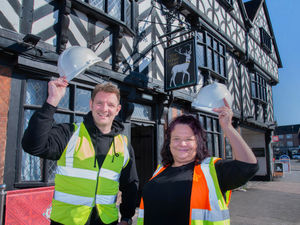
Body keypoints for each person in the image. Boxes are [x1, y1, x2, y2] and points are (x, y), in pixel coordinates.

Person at [22, 77, 138, 225]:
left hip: (107, 221)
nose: (104, 109)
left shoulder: (124, 144)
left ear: (117, 109)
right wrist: (52, 101)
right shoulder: (69, 133)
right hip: (66, 221)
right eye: (99, 103)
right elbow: (32, 145)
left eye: (110, 104)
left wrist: (127, 218)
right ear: (91, 104)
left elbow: (130, 183)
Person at [137, 99, 258, 225]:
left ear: (198, 143)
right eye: (176, 138)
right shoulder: (160, 170)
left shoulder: (212, 170)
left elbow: (248, 167)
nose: (182, 144)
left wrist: (227, 127)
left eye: (189, 139)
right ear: (169, 143)